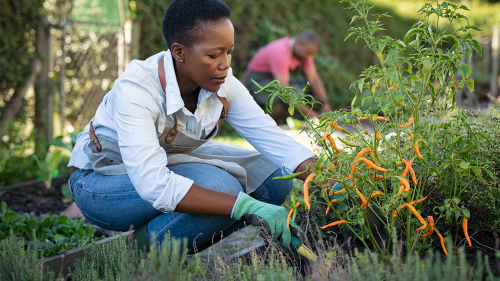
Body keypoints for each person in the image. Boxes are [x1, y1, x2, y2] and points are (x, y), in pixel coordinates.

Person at [67, 0, 324, 252]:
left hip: (170, 162)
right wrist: (245, 207)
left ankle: (170, 238)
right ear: (179, 52)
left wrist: (336, 183)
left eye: (229, 51)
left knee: (275, 178)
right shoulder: (137, 90)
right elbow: (153, 183)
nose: (225, 64)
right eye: (214, 55)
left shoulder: (223, 83)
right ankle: (138, 251)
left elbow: (274, 141)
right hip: (100, 183)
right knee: (221, 189)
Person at [244, 32, 330, 124]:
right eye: (308, 53)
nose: (308, 57)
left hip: (272, 80)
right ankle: (261, 122)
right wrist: (312, 115)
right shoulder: (280, 52)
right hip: (255, 83)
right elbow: (285, 92)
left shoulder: (302, 53)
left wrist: (325, 102)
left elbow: (313, 79)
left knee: (307, 90)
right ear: (299, 44)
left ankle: (280, 120)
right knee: (286, 97)